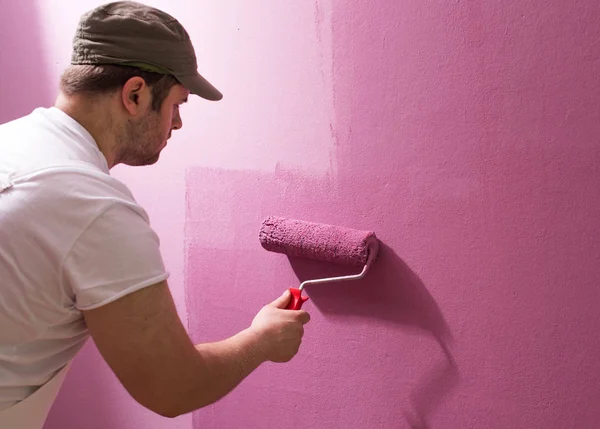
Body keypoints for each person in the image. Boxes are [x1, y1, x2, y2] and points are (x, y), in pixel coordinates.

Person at [0, 1, 310, 424]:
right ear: (135, 94)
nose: (177, 123)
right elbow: (174, 387)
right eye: (177, 104)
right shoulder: (93, 208)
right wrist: (261, 340)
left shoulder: (12, 142)